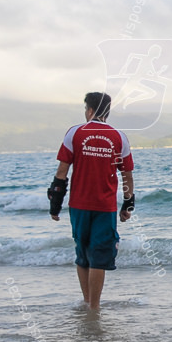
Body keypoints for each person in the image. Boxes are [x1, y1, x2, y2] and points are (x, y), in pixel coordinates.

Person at [47, 92, 134, 310]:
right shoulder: (119, 137)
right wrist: (128, 203)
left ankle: (87, 302)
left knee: (82, 252)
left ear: (90, 110)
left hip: (78, 205)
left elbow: (62, 171)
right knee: (99, 255)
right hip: (105, 207)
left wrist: (55, 204)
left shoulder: (75, 133)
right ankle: (94, 306)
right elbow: (127, 175)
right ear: (108, 111)